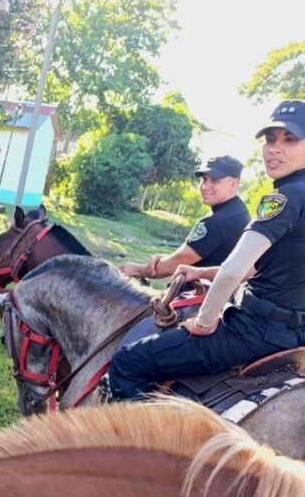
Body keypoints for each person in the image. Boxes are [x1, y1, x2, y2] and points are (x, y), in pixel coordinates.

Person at [107, 100, 305, 400]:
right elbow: (258, 267)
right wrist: (200, 272)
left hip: (255, 330)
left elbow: (234, 271)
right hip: (294, 330)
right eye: (269, 139)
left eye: (290, 139)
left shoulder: (283, 197)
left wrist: (204, 321)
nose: (275, 149)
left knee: (128, 361)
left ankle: (134, 444)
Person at [119, 155, 248, 279]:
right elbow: (202, 259)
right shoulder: (238, 213)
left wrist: (137, 270)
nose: (205, 187)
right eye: (204, 180)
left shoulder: (218, 221)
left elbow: (177, 262)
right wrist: (163, 259)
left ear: (233, 184)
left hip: (204, 296)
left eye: (214, 181)